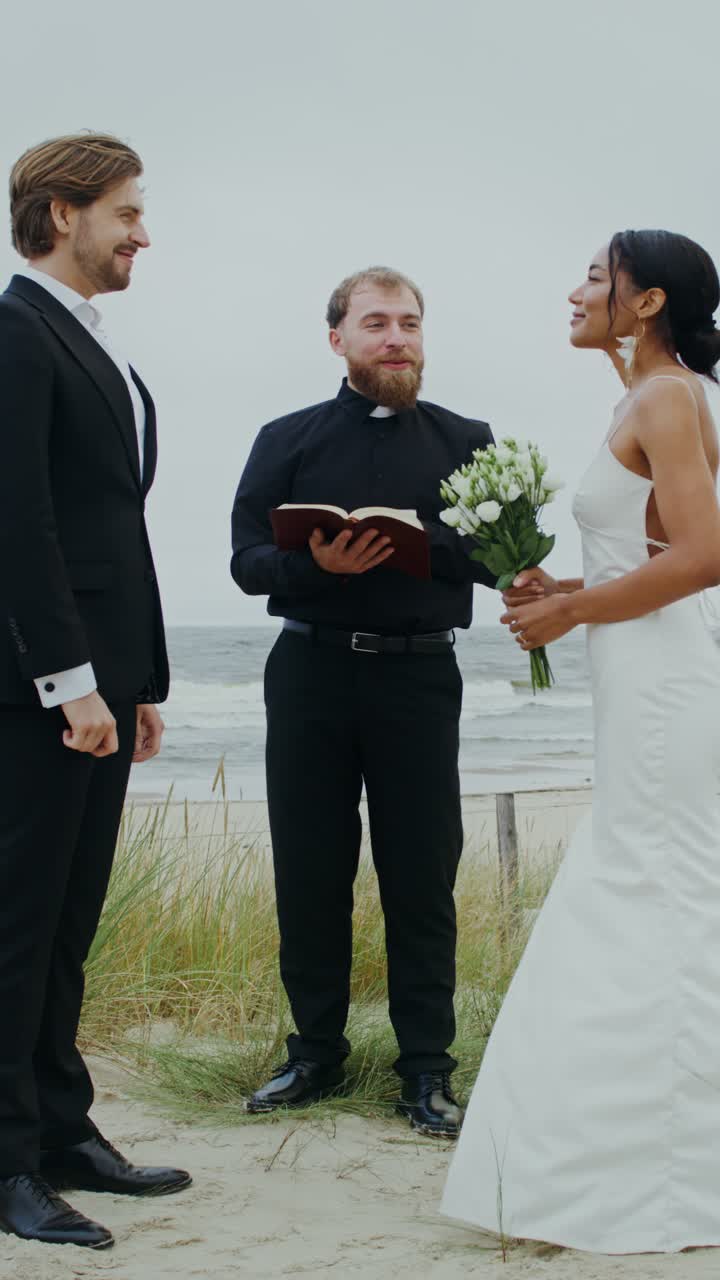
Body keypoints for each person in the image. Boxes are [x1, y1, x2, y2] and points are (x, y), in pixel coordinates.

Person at [442, 229, 720, 1253]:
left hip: (667, 680)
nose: (576, 291)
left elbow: (705, 555)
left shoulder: (667, 395)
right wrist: (570, 591)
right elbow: (652, 546)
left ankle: (664, 1173)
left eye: (597, 278)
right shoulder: (648, 398)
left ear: (646, 304)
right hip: (644, 670)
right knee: (661, 887)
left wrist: (574, 614)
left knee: (655, 889)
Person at [231, 266, 497, 1135]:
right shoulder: (286, 437)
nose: (396, 338)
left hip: (419, 676)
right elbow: (245, 563)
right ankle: (314, 1053)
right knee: (311, 868)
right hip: (309, 674)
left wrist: (425, 545)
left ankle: (426, 1069)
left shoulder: (468, 438)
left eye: (410, 323)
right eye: (376, 322)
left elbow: (499, 556)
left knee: (422, 873)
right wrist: (317, 566)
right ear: (337, 337)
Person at [0, 134, 190, 1252]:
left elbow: (113, 523)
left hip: (102, 682)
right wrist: (68, 682)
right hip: (37, 688)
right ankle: (11, 1159)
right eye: (125, 212)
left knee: (70, 920)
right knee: (18, 926)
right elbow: (16, 524)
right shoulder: (16, 335)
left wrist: (140, 681)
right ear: (63, 213)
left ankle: (65, 1129)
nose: (141, 233)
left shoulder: (91, 342)